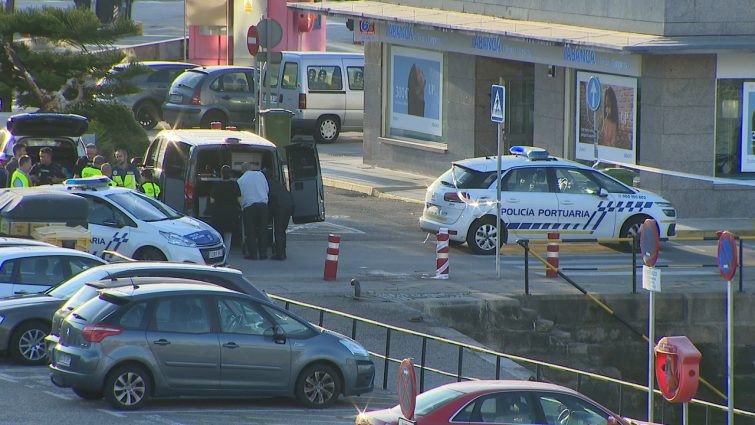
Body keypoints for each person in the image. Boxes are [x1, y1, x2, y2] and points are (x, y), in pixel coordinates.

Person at [237, 162, 269, 260]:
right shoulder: (260, 175)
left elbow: (240, 196)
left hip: (249, 207)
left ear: (242, 170)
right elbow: (266, 189)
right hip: (262, 205)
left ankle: (253, 254)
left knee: (250, 232)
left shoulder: (240, 180)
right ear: (251, 168)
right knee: (263, 230)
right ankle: (263, 253)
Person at [264, 169, 294, 261]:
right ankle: (282, 251)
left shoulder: (267, 184)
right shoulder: (278, 183)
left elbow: (268, 198)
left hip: (280, 207)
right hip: (289, 205)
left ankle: (279, 253)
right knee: (282, 230)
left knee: (278, 230)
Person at [209, 165, 241, 250]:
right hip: (231, 212)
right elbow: (239, 200)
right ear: (230, 174)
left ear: (221, 174)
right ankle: (226, 253)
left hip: (219, 212)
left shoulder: (217, 185)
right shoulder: (234, 184)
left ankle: (219, 251)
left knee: (219, 233)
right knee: (228, 234)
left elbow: (212, 200)